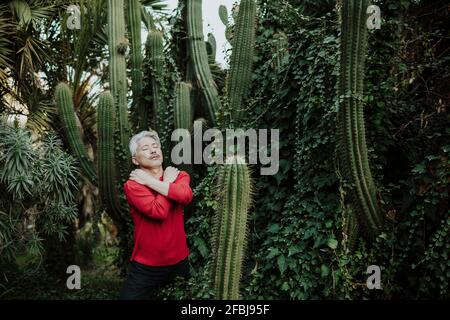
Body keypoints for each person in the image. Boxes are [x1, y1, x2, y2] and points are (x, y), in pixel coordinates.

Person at [119, 130, 193, 300]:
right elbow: (158, 211)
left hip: (179, 262)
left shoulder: (180, 175)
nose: (153, 150)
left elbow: (186, 196)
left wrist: (151, 182)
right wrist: (167, 182)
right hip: (147, 266)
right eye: (145, 148)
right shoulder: (133, 186)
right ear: (135, 159)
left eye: (155, 146)